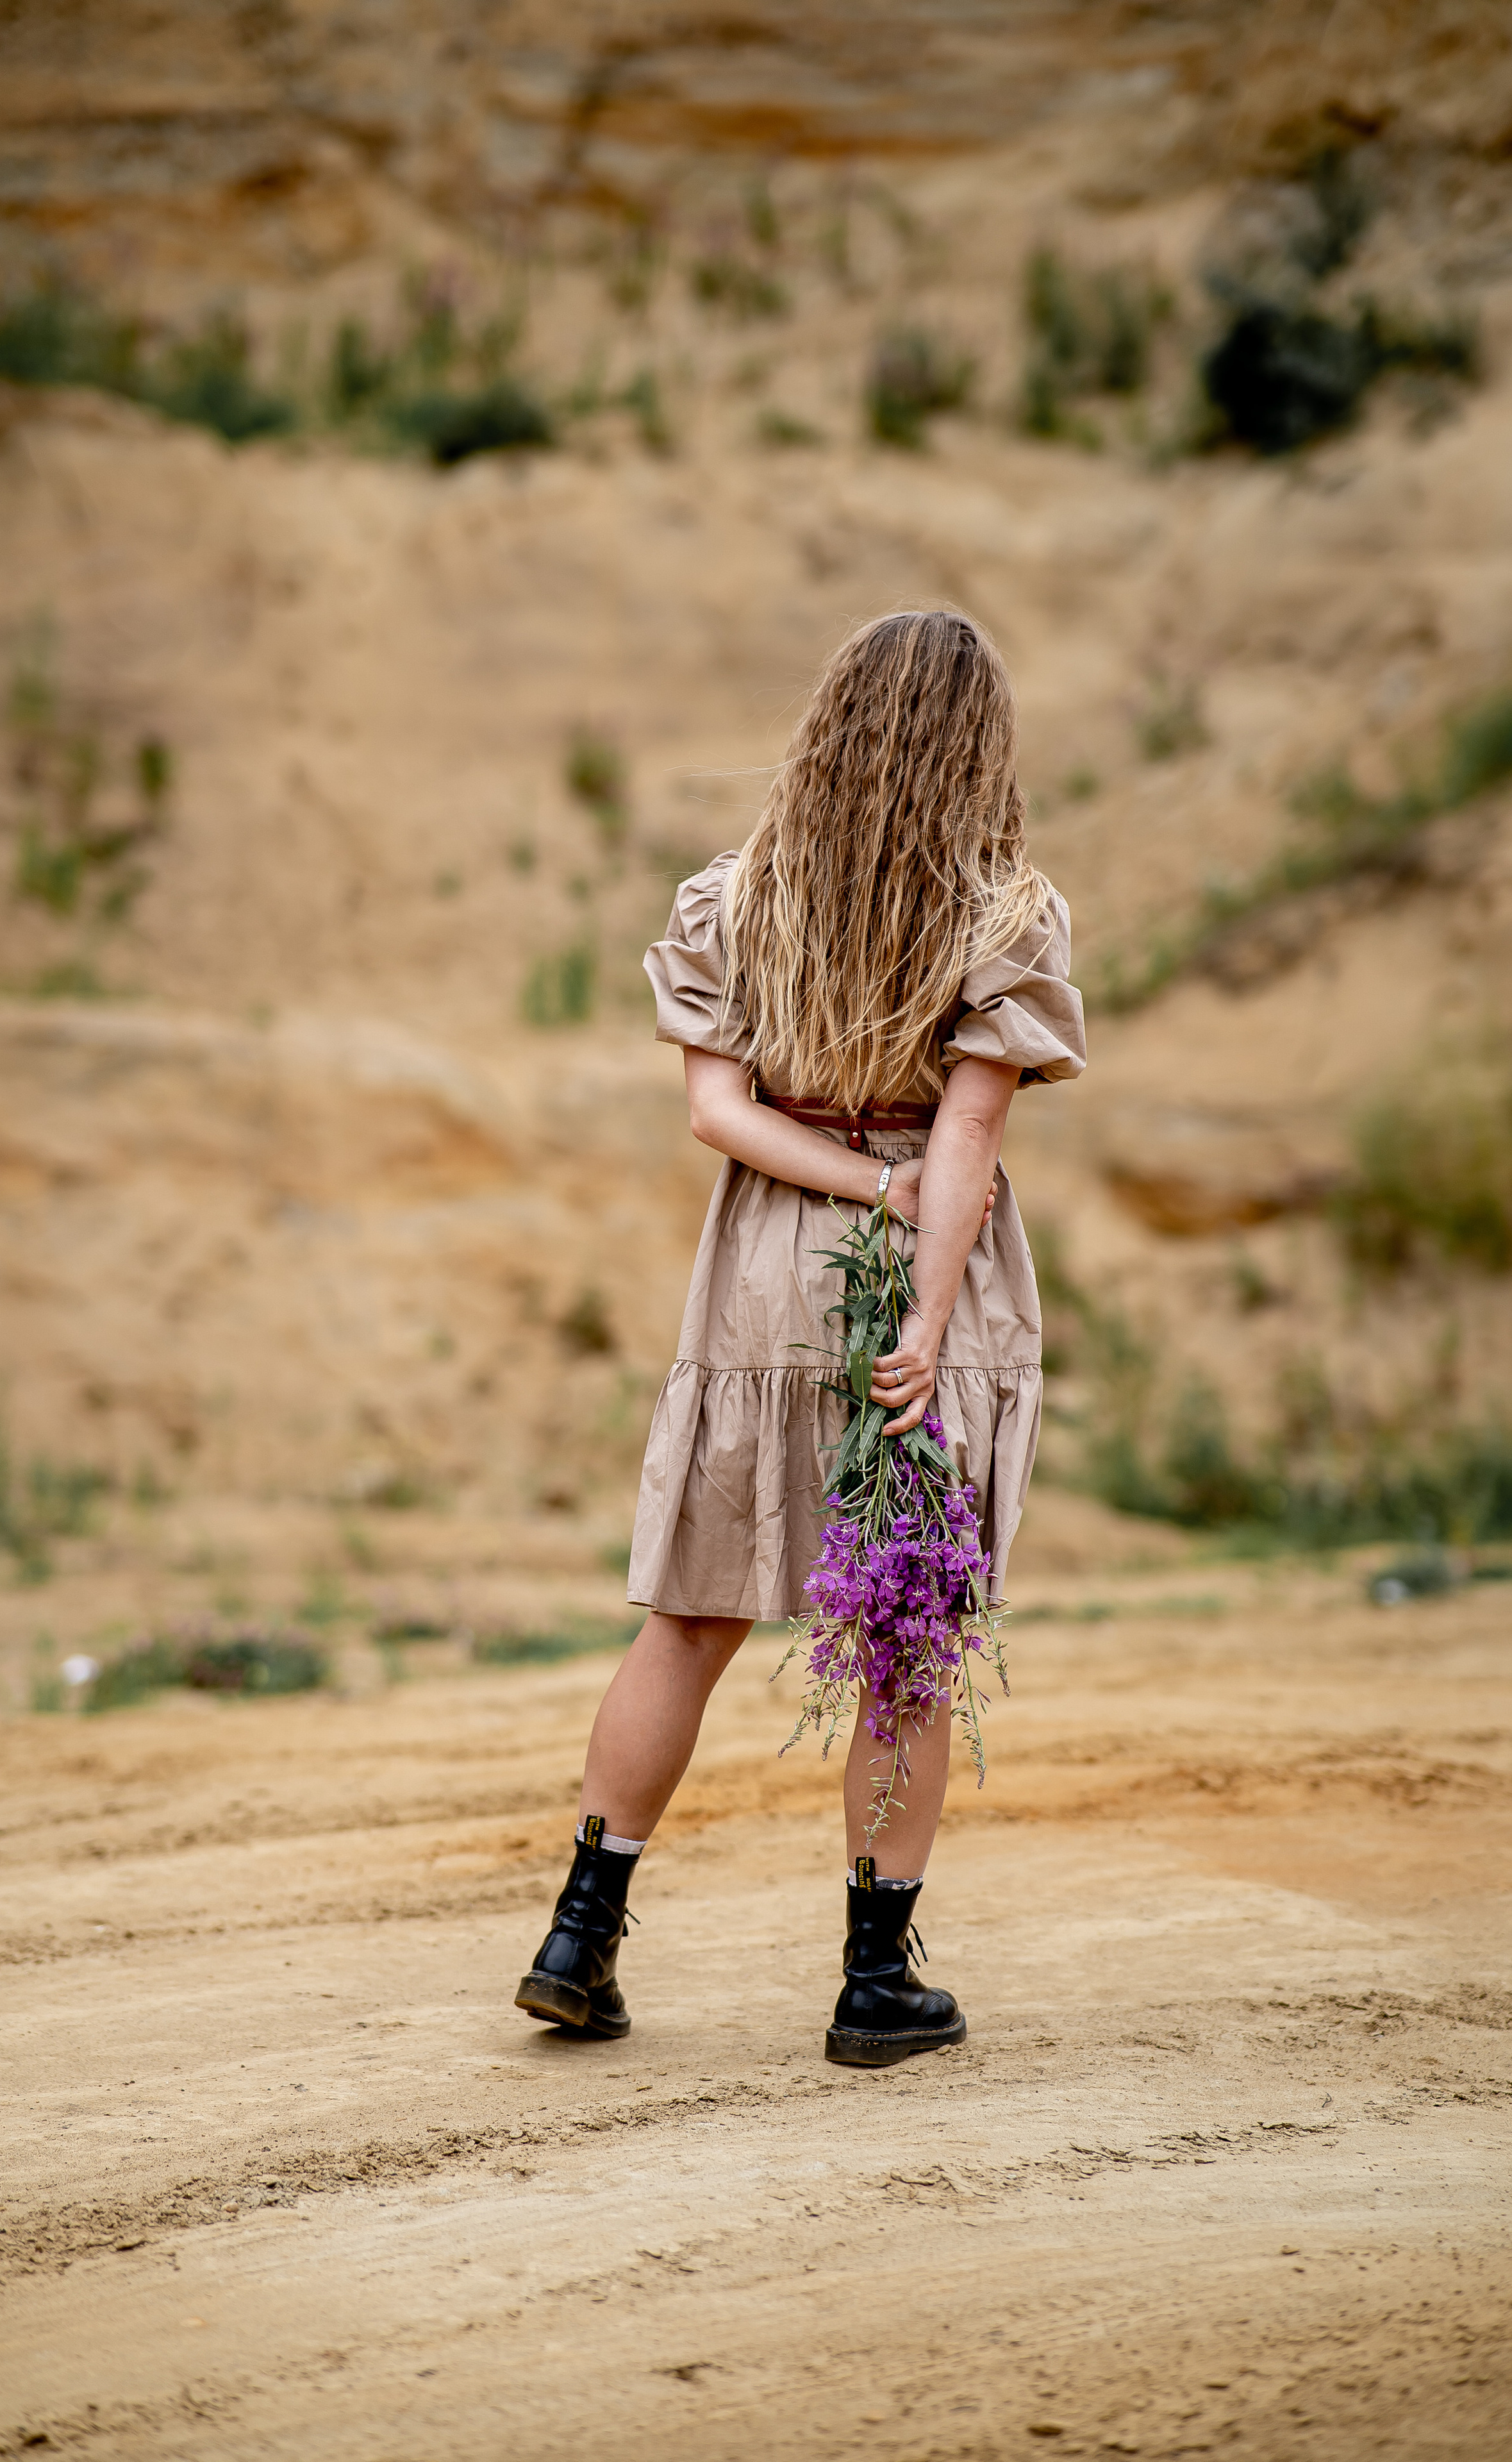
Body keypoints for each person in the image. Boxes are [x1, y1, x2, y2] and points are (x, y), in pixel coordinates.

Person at [515, 609, 1086, 2064]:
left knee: (692, 1610)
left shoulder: (729, 901)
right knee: (905, 1632)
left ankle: (580, 1934)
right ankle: (871, 1984)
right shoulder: (1004, 917)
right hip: (918, 1270)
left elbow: (715, 1113)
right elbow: (962, 1136)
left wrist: (837, 1174)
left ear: (827, 724)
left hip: (758, 1270)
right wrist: (924, 1286)